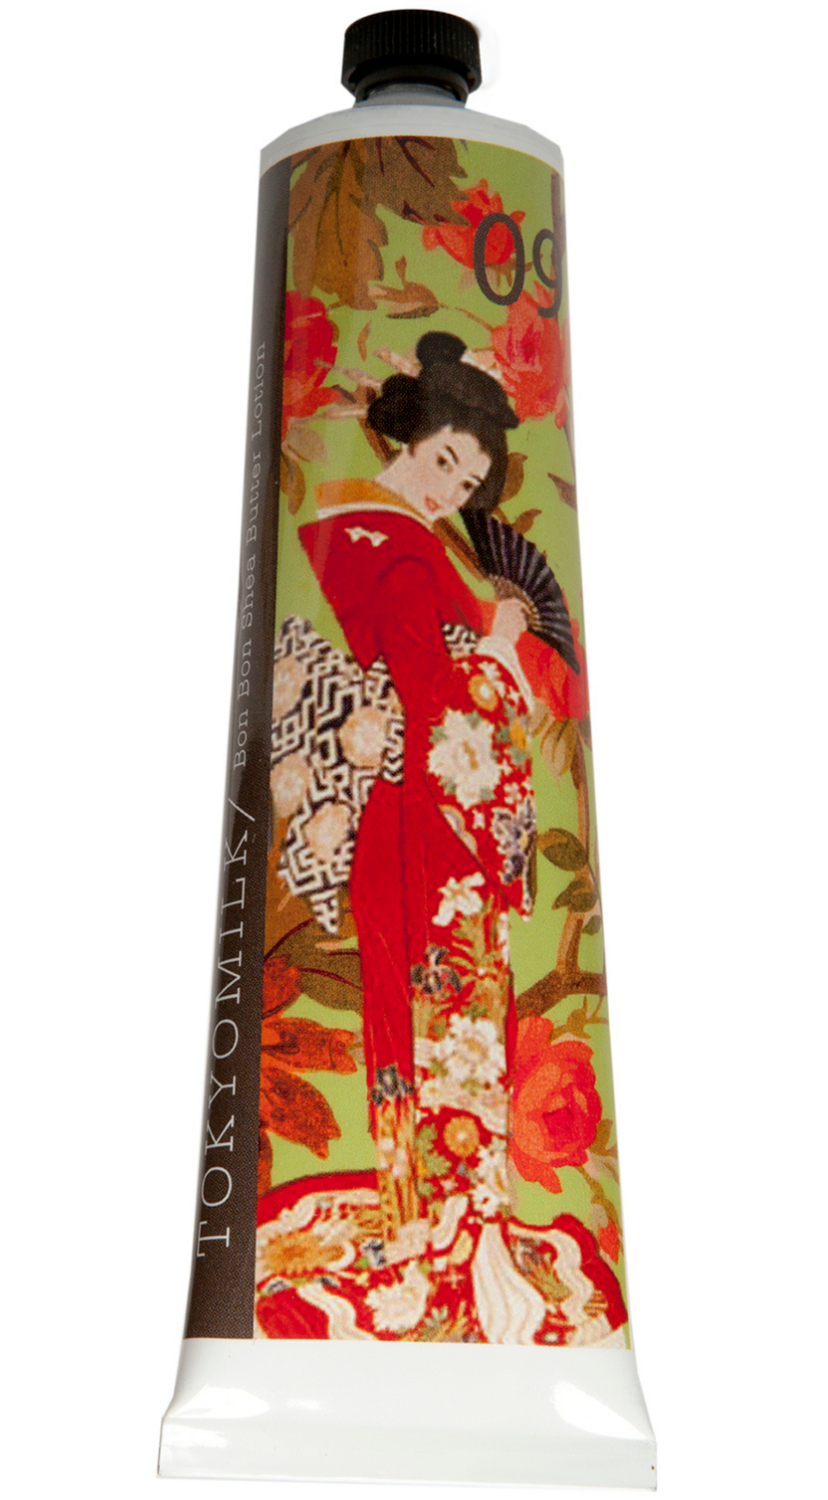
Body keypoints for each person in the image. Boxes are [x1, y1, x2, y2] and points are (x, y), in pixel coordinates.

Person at [258, 332, 624, 1344]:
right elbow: (433, 701)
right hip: (435, 817)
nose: (449, 490)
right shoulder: (403, 552)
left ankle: (408, 1211)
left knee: (401, 1011)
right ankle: (454, 1236)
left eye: (467, 481)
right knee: (451, 1012)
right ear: (409, 439)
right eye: (443, 461)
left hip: (404, 809)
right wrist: (498, 653)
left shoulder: (344, 530)